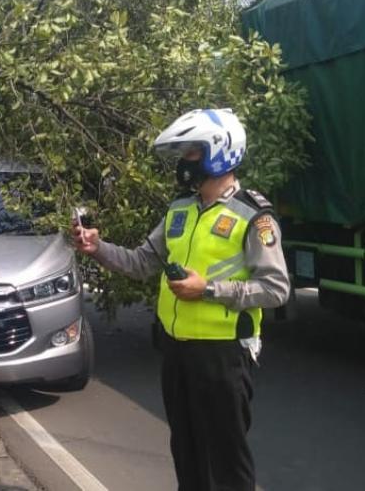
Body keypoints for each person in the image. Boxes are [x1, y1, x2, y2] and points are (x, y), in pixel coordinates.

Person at [72, 108, 290, 491]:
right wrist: (98, 248)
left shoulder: (253, 217)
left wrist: (207, 290)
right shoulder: (179, 210)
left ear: (219, 153)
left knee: (227, 459)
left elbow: (275, 289)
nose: (184, 162)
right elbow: (142, 263)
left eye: (192, 152)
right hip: (177, 351)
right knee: (186, 452)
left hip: (223, 355)